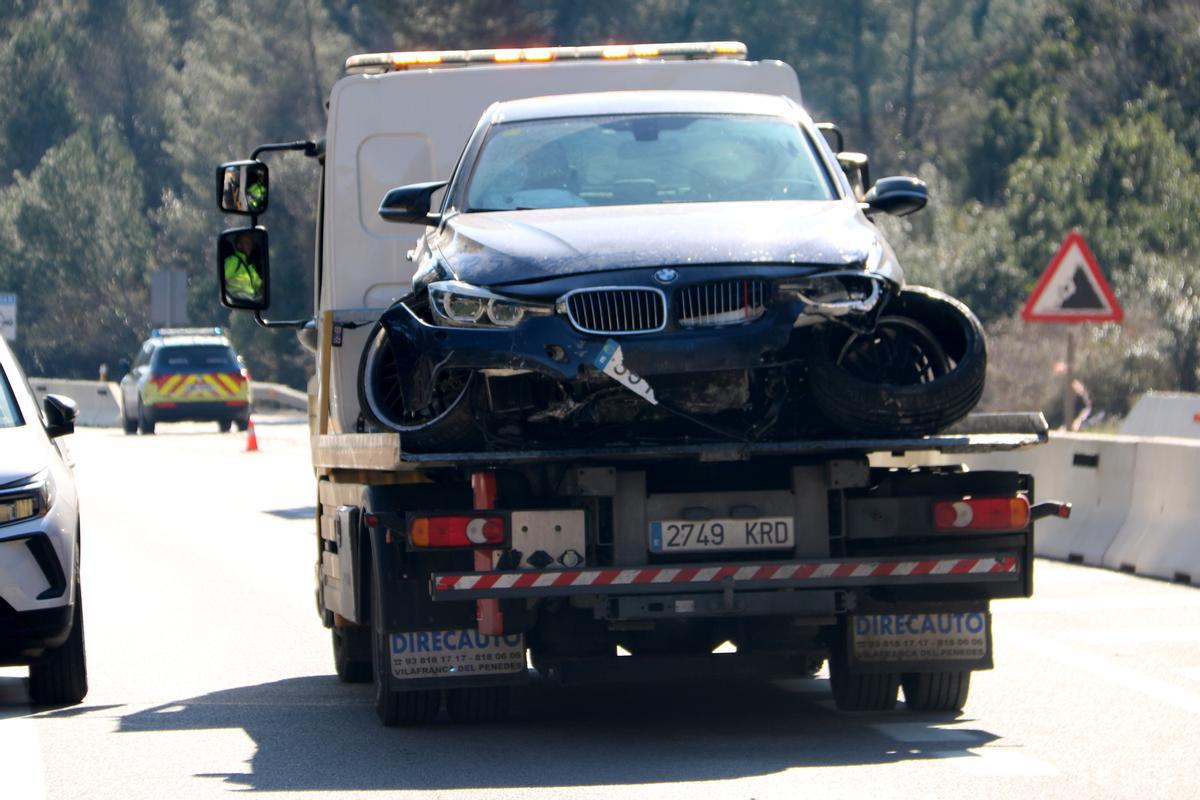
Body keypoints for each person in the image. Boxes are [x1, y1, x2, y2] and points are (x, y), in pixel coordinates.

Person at [224, 231, 263, 302]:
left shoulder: (251, 266)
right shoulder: (233, 261)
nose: (250, 246)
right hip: (237, 300)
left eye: (251, 243)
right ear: (239, 245)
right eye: (246, 242)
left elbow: (259, 286)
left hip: (251, 301)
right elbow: (222, 279)